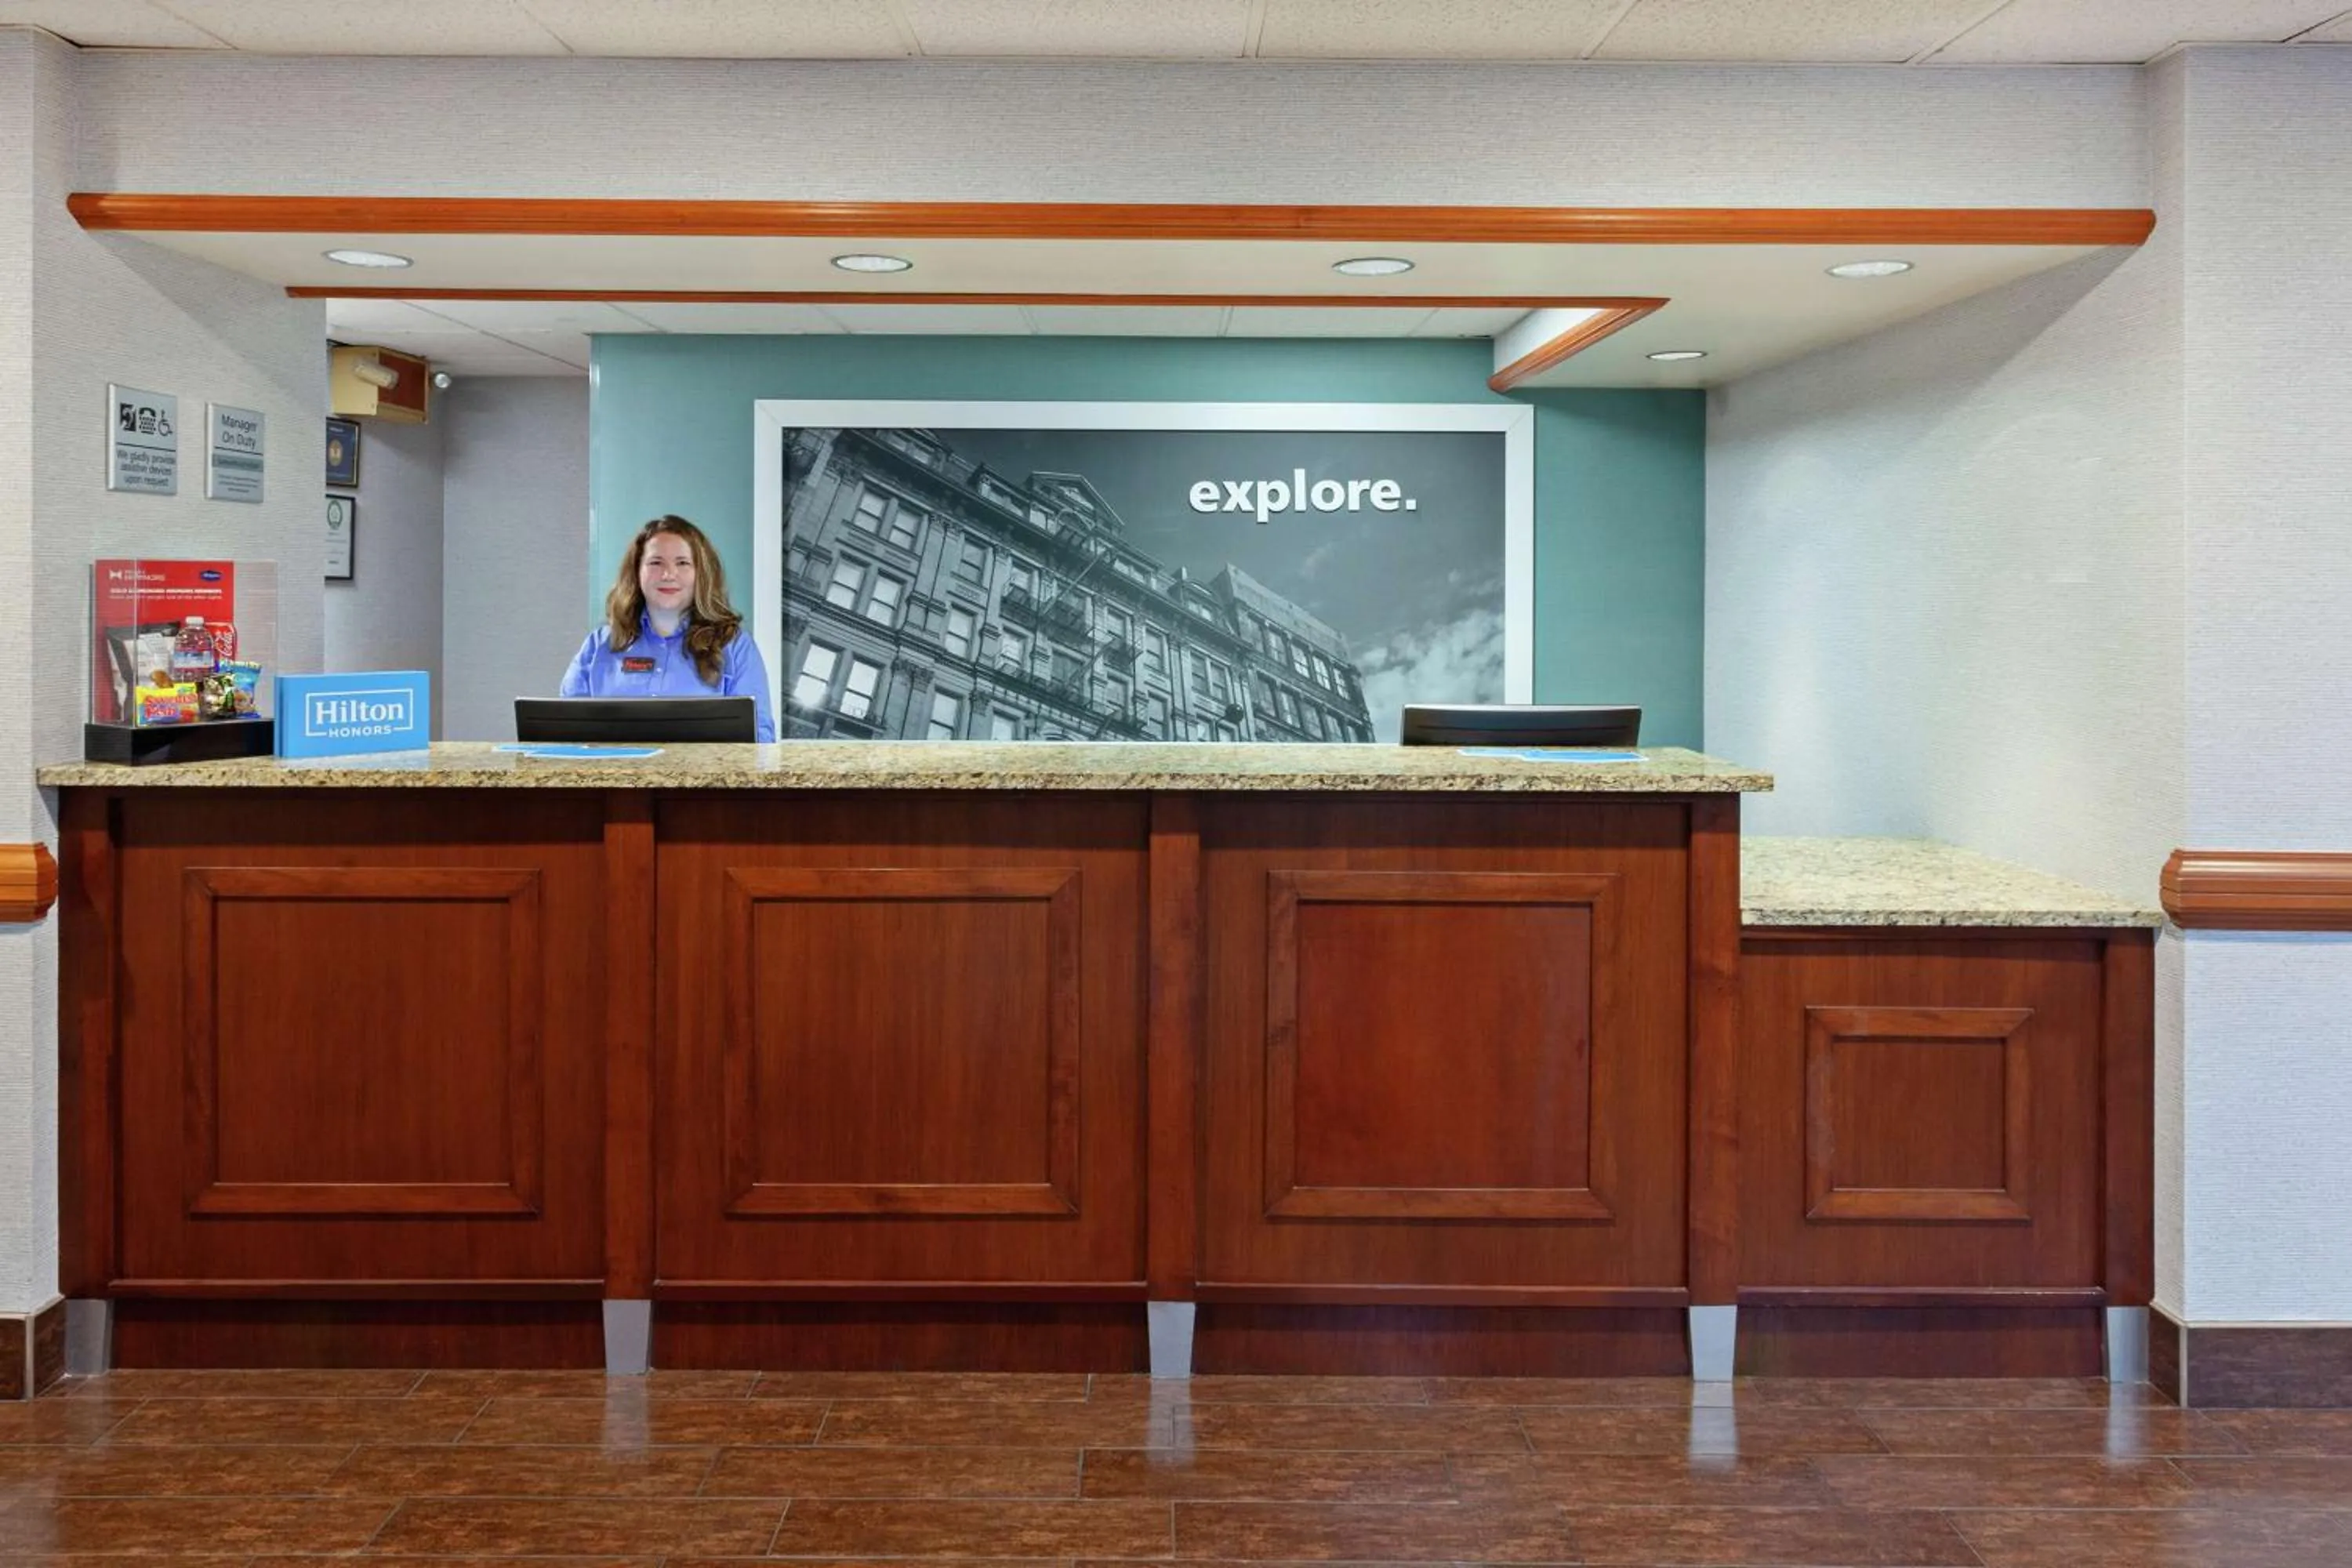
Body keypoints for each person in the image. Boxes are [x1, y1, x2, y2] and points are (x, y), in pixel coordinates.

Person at [561, 514, 775, 741]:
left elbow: (759, 740)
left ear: (701, 574)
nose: (668, 574)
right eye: (656, 563)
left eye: (682, 563)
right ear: (637, 571)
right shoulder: (598, 645)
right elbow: (567, 733)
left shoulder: (735, 647)